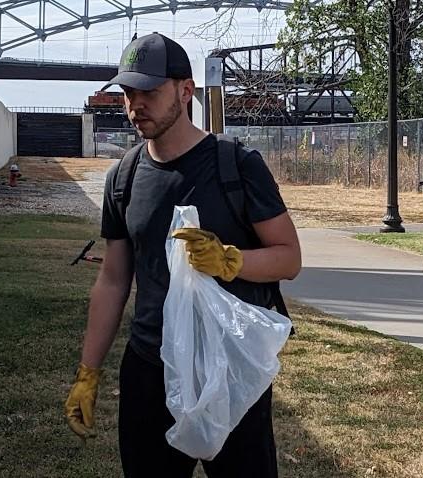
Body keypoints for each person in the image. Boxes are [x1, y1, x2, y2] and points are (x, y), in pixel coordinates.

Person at [64, 33, 301, 477]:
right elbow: (114, 280)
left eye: (149, 92)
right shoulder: (124, 177)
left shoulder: (237, 164)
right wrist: (88, 372)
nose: (135, 104)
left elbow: (289, 258)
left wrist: (232, 260)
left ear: (185, 91)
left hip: (228, 369)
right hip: (150, 369)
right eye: (128, 93)